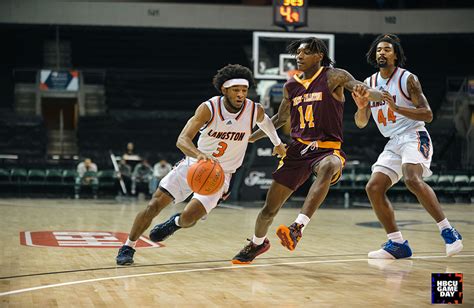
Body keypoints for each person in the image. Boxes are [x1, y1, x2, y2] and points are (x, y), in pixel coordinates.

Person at [232, 37, 384, 264]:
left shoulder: (334, 76)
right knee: (268, 211)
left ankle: (297, 227)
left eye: (305, 53)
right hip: (298, 150)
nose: (299, 57)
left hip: (326, 149)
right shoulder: (290, 86)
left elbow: (363, 90)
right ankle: (257, 243)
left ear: (319, 56)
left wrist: (375, 94)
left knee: (331, 164)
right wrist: (247, 139)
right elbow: (278, 118)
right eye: (298, 54)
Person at [116, 64, 286, 265]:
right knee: (154, 204)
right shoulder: (209, 108)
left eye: (244, 90)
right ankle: (128, 246)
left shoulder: (253, 109)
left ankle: (175, 223)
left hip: (221, 175)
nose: (241, 94)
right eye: (236, 90)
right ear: (224, 90)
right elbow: (182, 139)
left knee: (189, 218)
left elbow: (266, 122)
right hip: (193, 165)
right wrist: (199, 154)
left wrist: (277, 143)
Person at [351, 33, 463, 259]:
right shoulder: (368, 84)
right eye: (379, 49)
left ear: (395, 55)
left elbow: (428, 114)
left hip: (414, 134)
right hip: (393, 142)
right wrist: (362, 107)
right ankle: (397, 244)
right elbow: (361, 123)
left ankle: (449, 232)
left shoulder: (407, 79)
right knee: (373, 188)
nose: (382, 52)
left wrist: (397, 108)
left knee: (412, 178)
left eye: (387, 49)